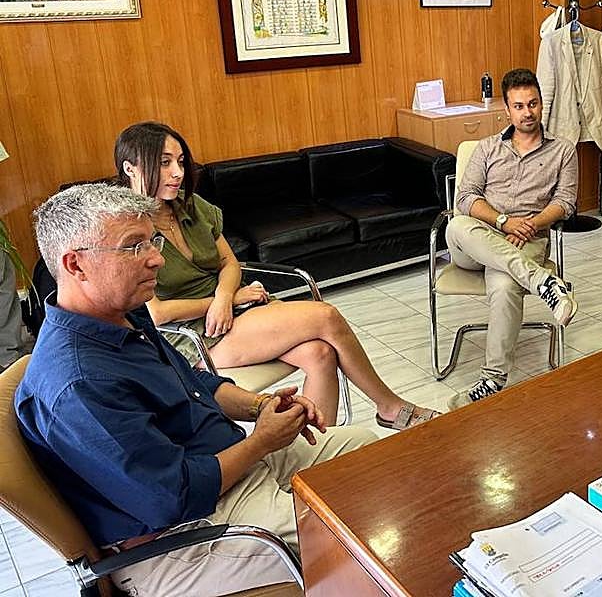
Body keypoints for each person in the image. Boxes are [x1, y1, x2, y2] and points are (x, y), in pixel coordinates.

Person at [16, 183, 378, 596]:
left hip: (227, 469)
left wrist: (263, 406)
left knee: (367, 452)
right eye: (134, 247)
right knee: (355, 531)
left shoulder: (123, 313)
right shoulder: (78, 382)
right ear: (76, 265)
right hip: (183, 531)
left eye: (152, 240)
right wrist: (261, 443)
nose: (156, 258)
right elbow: (171, 497)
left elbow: (194, 384)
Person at [114, 122, 436, 431]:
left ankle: (315, 464)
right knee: (325, 316)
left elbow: (230, 264)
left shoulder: (191, 206)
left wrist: (227, 297)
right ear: (130, 168)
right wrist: (222, 302)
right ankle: (389, 407)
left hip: (233, 311)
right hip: (193, 337)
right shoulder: (126, 228)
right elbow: (155, 313)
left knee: (321, 354)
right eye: (165, 163)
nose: (178, 173)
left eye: (181, 162)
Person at [445, 67, 578, 408]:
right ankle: (546, 283)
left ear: (542, 103)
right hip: (480, 239)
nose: (527, 112)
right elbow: (465, 197)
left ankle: (492, 380)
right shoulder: (488, 148)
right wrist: (503, 221)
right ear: (507, 109)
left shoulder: (563, 150)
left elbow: (565, 202)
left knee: (505, 286)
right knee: (457, 225)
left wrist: (531, 223)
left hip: (527, 239)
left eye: (532, 104)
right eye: (519, 106)